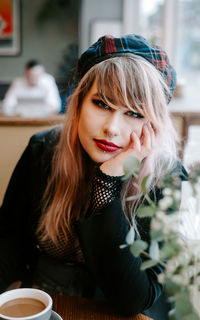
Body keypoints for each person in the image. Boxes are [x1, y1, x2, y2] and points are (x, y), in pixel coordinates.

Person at [0, 34, 187, 319]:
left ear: (154, 123)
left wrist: (108, 180)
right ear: (79, 103)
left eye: (134, 113)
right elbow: (9, 245)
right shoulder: (43, 150)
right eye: (101, 104)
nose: (112, 129)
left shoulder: (168, 177)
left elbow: (133, 300)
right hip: (45, 300)